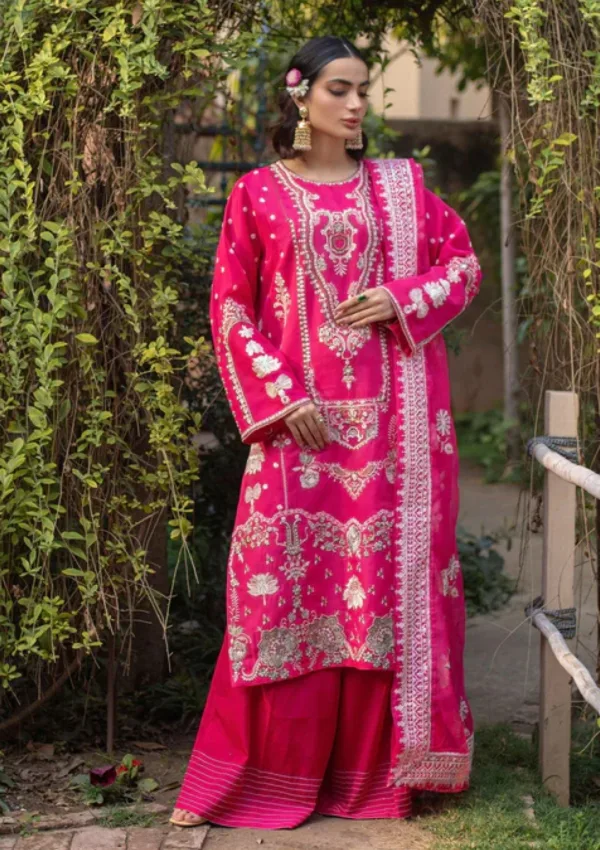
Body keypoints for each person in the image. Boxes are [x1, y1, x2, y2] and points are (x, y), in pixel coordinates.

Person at [170, 34, 481, 830]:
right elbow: (230, 306)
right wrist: (278, 397)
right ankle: (255, 781)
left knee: (375, 593)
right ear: (300, 94)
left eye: (362, 90)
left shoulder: (401, 189)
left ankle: (375, 781)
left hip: (390, 441)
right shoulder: (258, 195)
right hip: (296, 436)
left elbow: (462, 265)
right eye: (339, 89)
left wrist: (400, 299)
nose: (354, 104)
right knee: (278, 591)